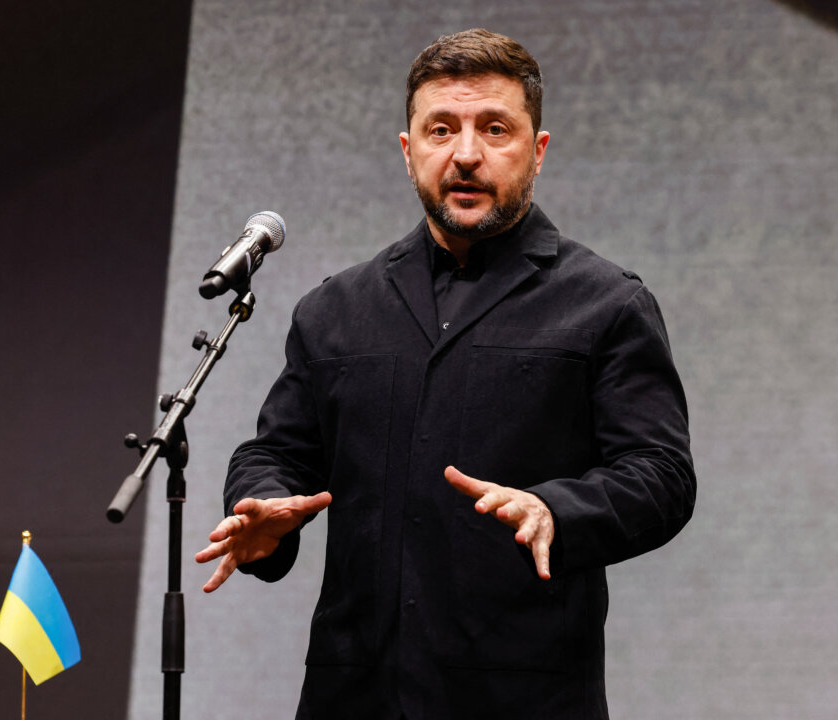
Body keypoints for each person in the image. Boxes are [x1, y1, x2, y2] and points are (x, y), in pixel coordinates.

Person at [196, 28, 695, 720]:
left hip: (525, 696)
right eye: (441, 130)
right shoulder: (335, 308)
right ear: (409, 153)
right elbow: (277, 451)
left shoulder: (605, 303)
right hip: (355, 695)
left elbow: (661, 475)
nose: (465, 154)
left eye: (495, 129)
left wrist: (556, 509)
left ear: (538, 151)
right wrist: (263, 500)